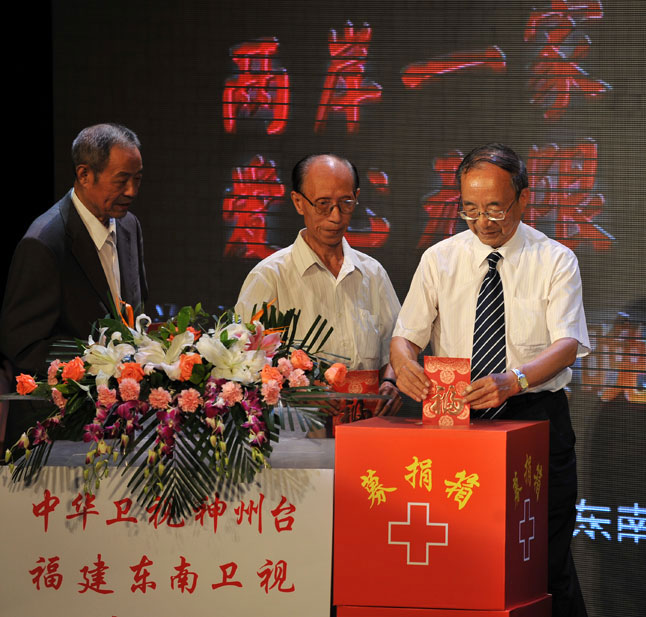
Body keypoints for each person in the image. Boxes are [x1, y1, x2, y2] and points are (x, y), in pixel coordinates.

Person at [390, 143, 590, 617]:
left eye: (496, 208)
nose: (483, 222)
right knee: (465, 556)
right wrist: (404, 365)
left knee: (544, 561)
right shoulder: (440, 258)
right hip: (457, 421)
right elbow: (405, 336)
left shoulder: (554, 258)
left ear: (524, 198)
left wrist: (515, 380)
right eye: (471, 209)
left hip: (534, 417)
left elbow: (567, 344)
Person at [0, 123, 147, 446]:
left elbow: (134, 312)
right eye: (122, 179)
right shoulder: (44, 243)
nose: (132, 191)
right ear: (84, 174)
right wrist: (97, 364)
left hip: (118, 423)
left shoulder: (129, 226)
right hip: (56, 431)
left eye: (137, 179)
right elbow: (22, 345)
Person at [235, 154, 401, 415]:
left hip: (363, 426)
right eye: (323, 205)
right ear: (298, 202)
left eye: (346, 203)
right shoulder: (270, 276)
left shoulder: (372, 274)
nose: (336, 217)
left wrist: (391, 382)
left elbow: (397, 347)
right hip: (296, 432)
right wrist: (296, 394)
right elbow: (240, 363)